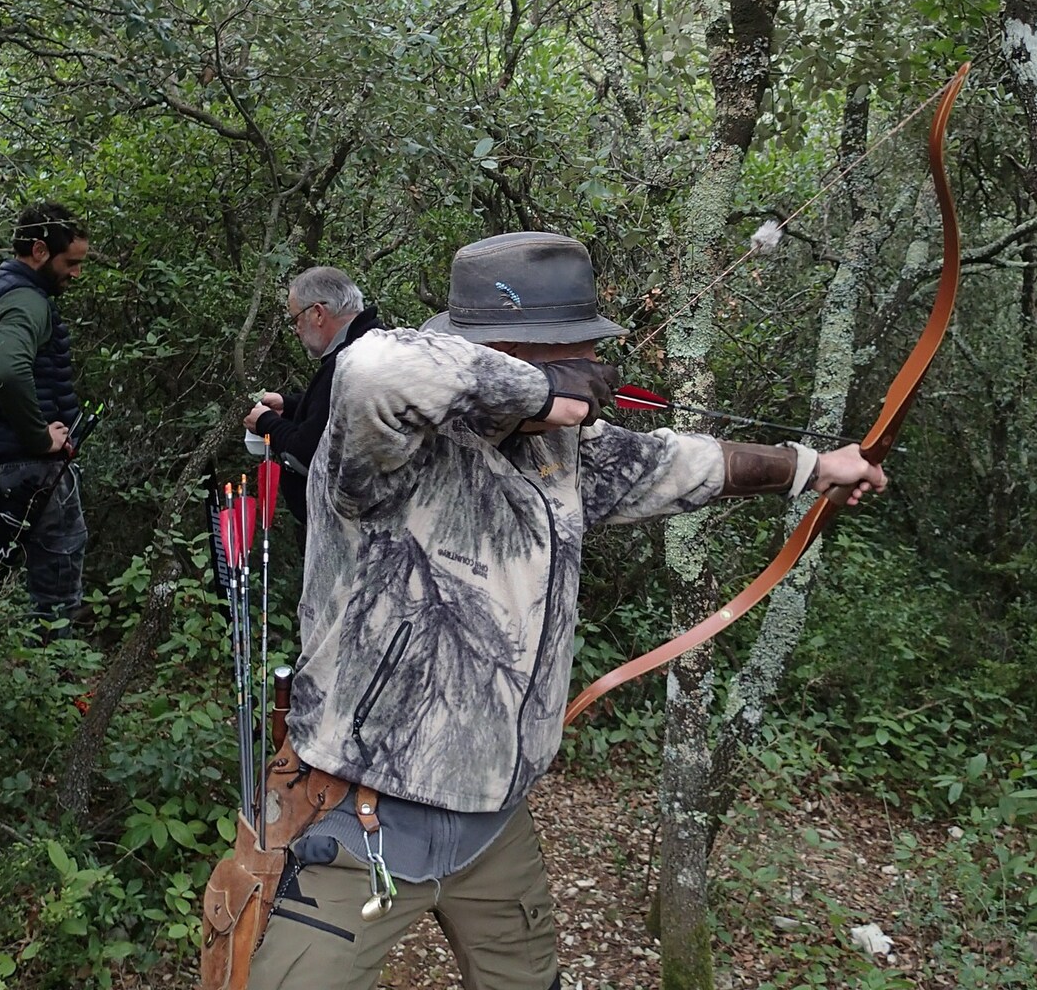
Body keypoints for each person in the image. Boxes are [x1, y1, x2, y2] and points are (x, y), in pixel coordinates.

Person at [244, 231, 884, 990]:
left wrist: (815, 468)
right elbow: (375, 366)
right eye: (568, 350)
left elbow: (680, 463)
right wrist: (540, 391)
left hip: (494, 819)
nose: (583, 363)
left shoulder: (557, 453)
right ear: (505, 351)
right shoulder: (378, 453)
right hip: (360, 814)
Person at [0, 202, 90, 633]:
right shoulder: (25, 300)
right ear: (38, 250)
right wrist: (40, 439)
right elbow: (8, 370)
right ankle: (56, 685)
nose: (76, 273)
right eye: (70, 262)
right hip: (33, 468)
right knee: (55, 594)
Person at [242, 267, 383, 535]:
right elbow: (335, 409)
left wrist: (266, 423)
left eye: (296, 318)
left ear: (318, 313)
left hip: (355, 530)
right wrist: (291, 404)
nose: (296, 330)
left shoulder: (351, 361)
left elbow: (306, 453)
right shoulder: (372, 341)